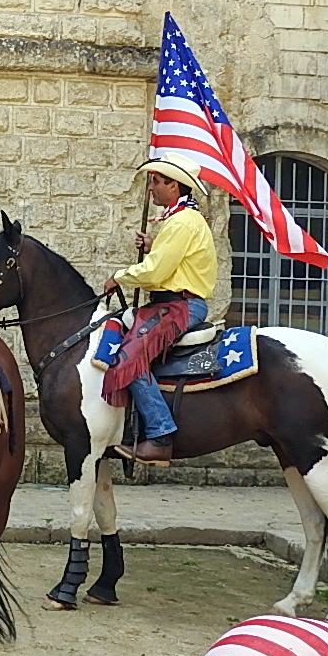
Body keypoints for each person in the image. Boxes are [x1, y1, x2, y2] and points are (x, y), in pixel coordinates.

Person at [93, 155, 217, 464]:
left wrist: (118, 276)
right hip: (170, 304)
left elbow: (155, 273)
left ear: (174, 185)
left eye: (156, 181)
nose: (151, 188)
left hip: (180, 306)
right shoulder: (181, 219)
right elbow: (171, 260)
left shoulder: (182, 222)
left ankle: (161, 435)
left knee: (131, 357)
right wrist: (154, 245)